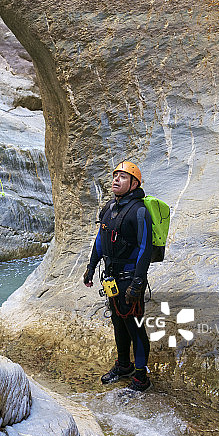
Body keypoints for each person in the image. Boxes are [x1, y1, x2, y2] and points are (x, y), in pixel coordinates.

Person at [83, 161, 153, 392]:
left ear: (134, 184)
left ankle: (141, 377)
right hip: (112, 278)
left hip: (130, 279)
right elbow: (100, 240)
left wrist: (138, 282)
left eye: (122, 177)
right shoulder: (109, 208)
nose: (116, 179)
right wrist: (91, 266)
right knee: (118, 323)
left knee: (135, 326)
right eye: (115, 175)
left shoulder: (140, 211)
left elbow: (145, 248)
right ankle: (124, 366)